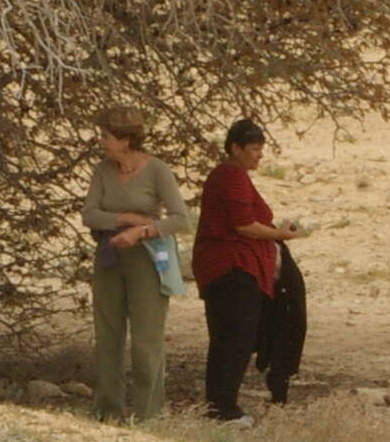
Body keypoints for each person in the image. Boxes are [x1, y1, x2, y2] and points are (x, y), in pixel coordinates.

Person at [82, 105, 193, 422]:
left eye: (107, 136)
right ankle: (107, 410)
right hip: (109, 256)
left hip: (148, 258)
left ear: (126, 140)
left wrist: (143, 231)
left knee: (147, 340)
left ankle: (149, 415)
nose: (102, 141)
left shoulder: (157, 170)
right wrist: (125, 219)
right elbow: (89, 214)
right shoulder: (103, 170)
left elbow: (179, 219)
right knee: (108, 335)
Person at [193, 118, 295, 424]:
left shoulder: (234, 176)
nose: (259, 155)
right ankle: (223, 408)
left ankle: (219, 406)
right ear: (235, 148)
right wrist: (279, 235)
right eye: (253, 149)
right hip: (233, 269)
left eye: (261, 149)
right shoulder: (231, 176)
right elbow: (243, 225)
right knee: (234, 337)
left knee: (230, 337)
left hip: (230, 269)